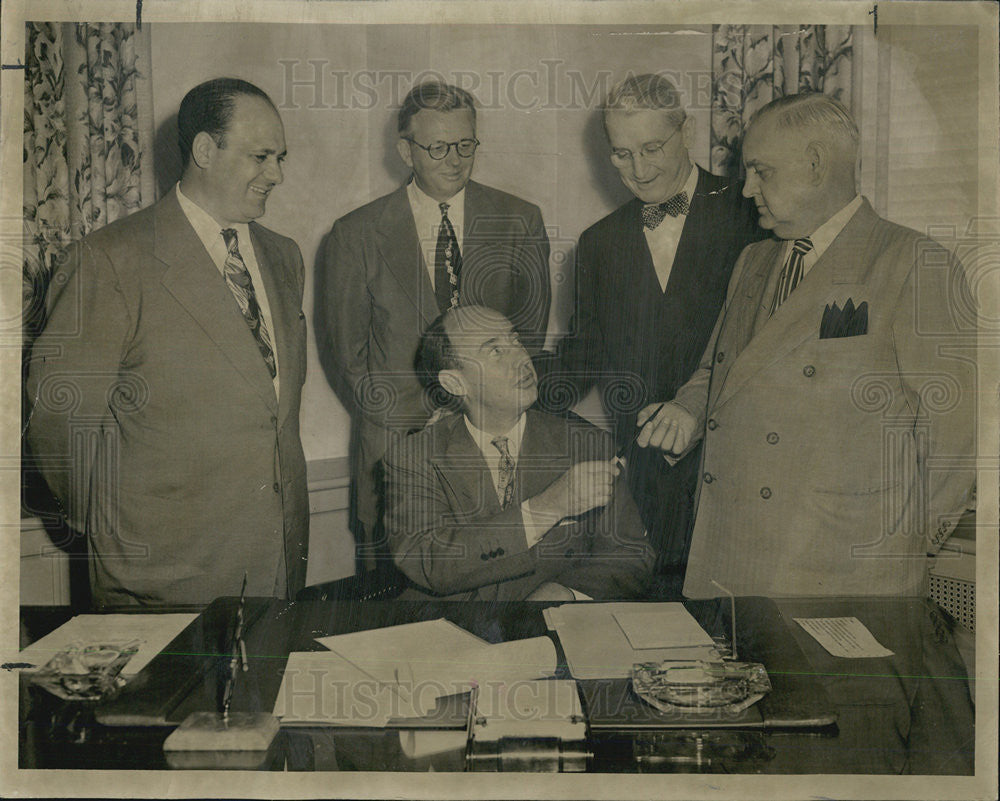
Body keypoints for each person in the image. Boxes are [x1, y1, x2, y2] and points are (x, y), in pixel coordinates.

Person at [636, 93, 976, 598]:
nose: (747, 188)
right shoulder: (752, 261)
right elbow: (720, 371)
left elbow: (959, 431)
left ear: (816, 165)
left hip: (841, 568)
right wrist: (687, 409)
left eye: (761, 172)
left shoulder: (913, 262)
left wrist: (905, 550)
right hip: (731, 549)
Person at [26, 78, 310, 606]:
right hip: (160, 579)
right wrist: (116, 530)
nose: (277, 174)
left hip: (277, 564)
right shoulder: (109, 260)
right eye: (261, 156)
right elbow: (60, 421)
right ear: (205, 150)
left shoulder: (284, 256)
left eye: (281, 157)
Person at [537, 74, 764, 592]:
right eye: (621, 155)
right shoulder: (599, 244)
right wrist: (499, 394)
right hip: (642, 491)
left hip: (736, 478)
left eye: (652, 148)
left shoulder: (753, 214)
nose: (638, 170)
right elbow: (581, 358)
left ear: (685, 130)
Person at [316, 81, 551, 572]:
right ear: (406, 150)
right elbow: (350, 361)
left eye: (466, 145)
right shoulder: (355, 234)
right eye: (438, 147)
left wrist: (477, 413)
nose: (455, 160)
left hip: (496, 448)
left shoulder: (519, 220)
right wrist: (431, 416)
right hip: (397, 450)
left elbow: (525, 340)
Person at [383, 306, 655, 601]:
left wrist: (568, 592)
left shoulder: (590, 446)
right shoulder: (414, 457)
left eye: (516, 341)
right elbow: (429, 560)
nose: (522, 359)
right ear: (455, 383)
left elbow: (631, 556)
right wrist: (547, 507)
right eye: (496, 350)